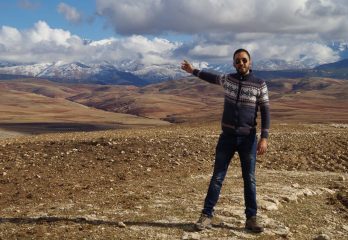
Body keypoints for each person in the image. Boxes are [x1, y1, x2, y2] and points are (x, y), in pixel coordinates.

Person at [181, 48, 270, 233]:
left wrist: (264, 137)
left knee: (250, 179)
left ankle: (251, 218)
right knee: (217, 177)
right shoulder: (228, 79)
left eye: (244, 60)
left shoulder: (259, 84)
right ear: (233, 63)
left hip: (248, 139)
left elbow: (265, 111)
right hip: (227, 137)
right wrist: (193, 71)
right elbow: (211, 77)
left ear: (250, 62)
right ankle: (206, 216)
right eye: (238, 61)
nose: (241, 64)